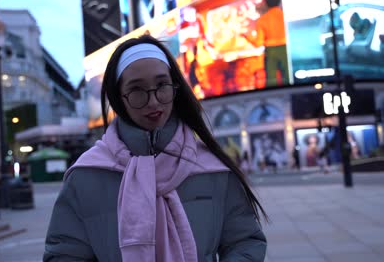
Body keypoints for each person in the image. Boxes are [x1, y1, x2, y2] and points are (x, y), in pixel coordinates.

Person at [44, 35, 267, 261]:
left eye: (162, 85)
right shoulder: (86, 176)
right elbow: (64, 254)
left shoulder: (213, 170)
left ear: (175, 87)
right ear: (119, 97)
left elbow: (244, 242)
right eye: (137, 90)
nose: (153, 101)